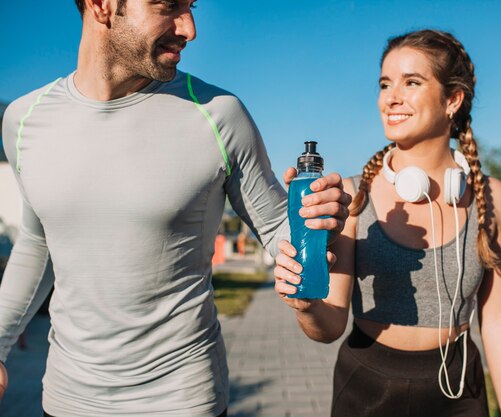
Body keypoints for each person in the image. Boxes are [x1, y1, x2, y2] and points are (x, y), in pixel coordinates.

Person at [0, 1, 351, 416]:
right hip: (65, 399)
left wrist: (313, 219)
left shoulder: (219, 114)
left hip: (183, 400)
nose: (190, 28)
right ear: (101, 6)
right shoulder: (24, 120)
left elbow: (276, 227)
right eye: (169, 6)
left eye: (191, 7)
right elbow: (39, 243)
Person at [274, 29, 501, 416]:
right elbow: (328, 327)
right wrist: (304, 303)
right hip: (367, 388)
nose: (391, 97)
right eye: (385, 84)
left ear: (452, 100)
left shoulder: (490, 197)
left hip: (460, 387)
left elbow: (498, 321)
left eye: (411, 82)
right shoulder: (350, 195)